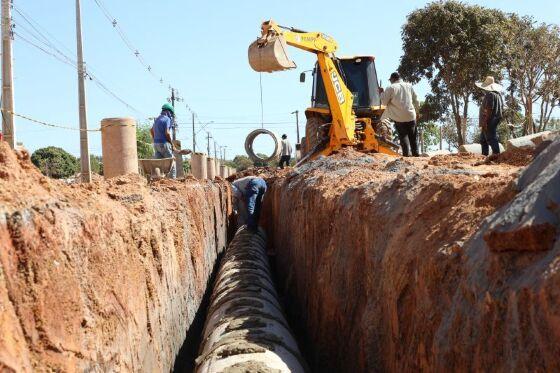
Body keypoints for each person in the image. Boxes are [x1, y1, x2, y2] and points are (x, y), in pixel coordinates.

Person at [378, 72, 419, 157]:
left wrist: (381, 93)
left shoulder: (391, 88)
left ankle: (406, 155)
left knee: (403, 136)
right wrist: (418, 111)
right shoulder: (409, 85)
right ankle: (416, 155)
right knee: (413, 137)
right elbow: (416, 100)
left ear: (392, 79)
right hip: (411, 115)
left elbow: (384, 102)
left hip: (399, 117)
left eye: (390, 80)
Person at [476, 76, 503, 156]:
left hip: (490, 119)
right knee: (483, 139)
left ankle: (496, 154)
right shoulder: (497, 95)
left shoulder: (490, 95)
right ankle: (484, 156)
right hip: (494, 118)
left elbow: (489, 108)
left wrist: (485, 121)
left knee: (491, 137)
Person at [151, 103, 177, 178]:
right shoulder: (167, 119)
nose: (171, 115)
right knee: (171, 163)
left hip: (156, 145)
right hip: (164, 144)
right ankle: (172, 181)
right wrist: (171, 144)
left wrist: (155, 139)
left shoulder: (157, 119)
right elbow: (167, 133)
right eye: (171, 113)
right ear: (169, 112)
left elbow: (151, 130)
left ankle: (157, 180)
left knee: (158, 164)